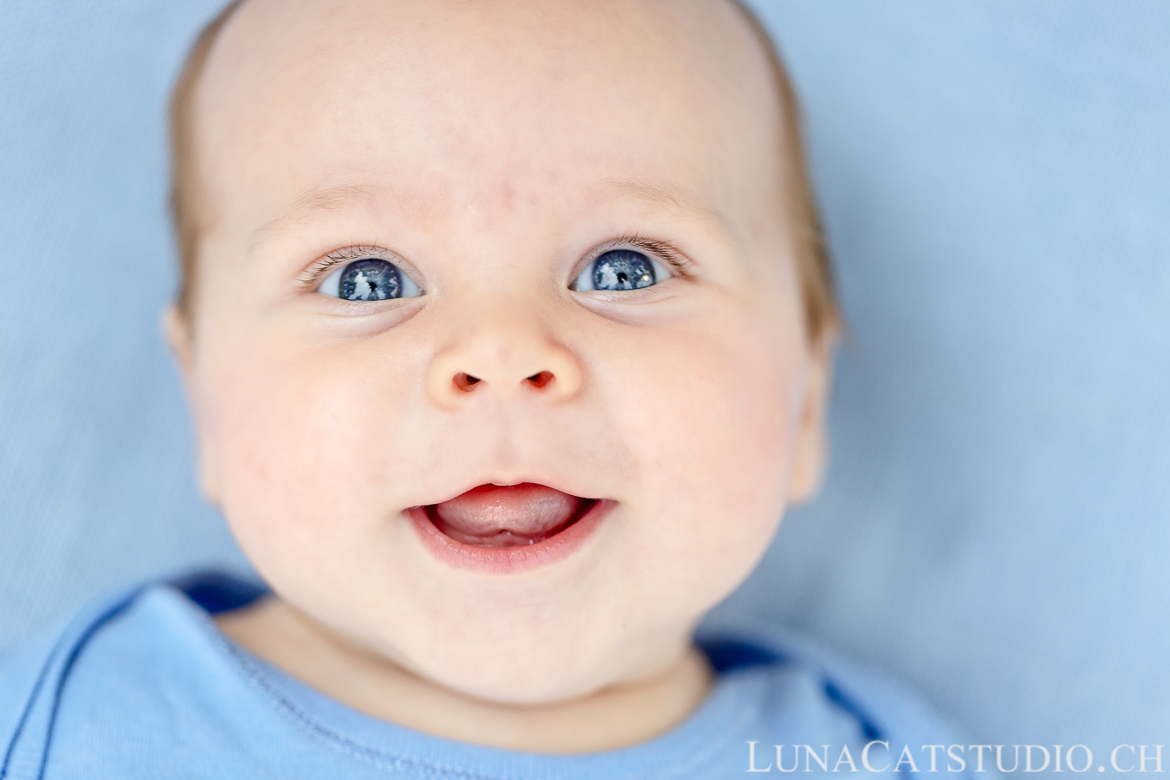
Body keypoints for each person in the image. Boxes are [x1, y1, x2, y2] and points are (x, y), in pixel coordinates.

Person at [0, 0, 984, 776]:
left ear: (805, 398)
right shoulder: (69, 718)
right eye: (366, 280)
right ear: (206, 403)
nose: (504, 350)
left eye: (626, 268)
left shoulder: (889, 755)